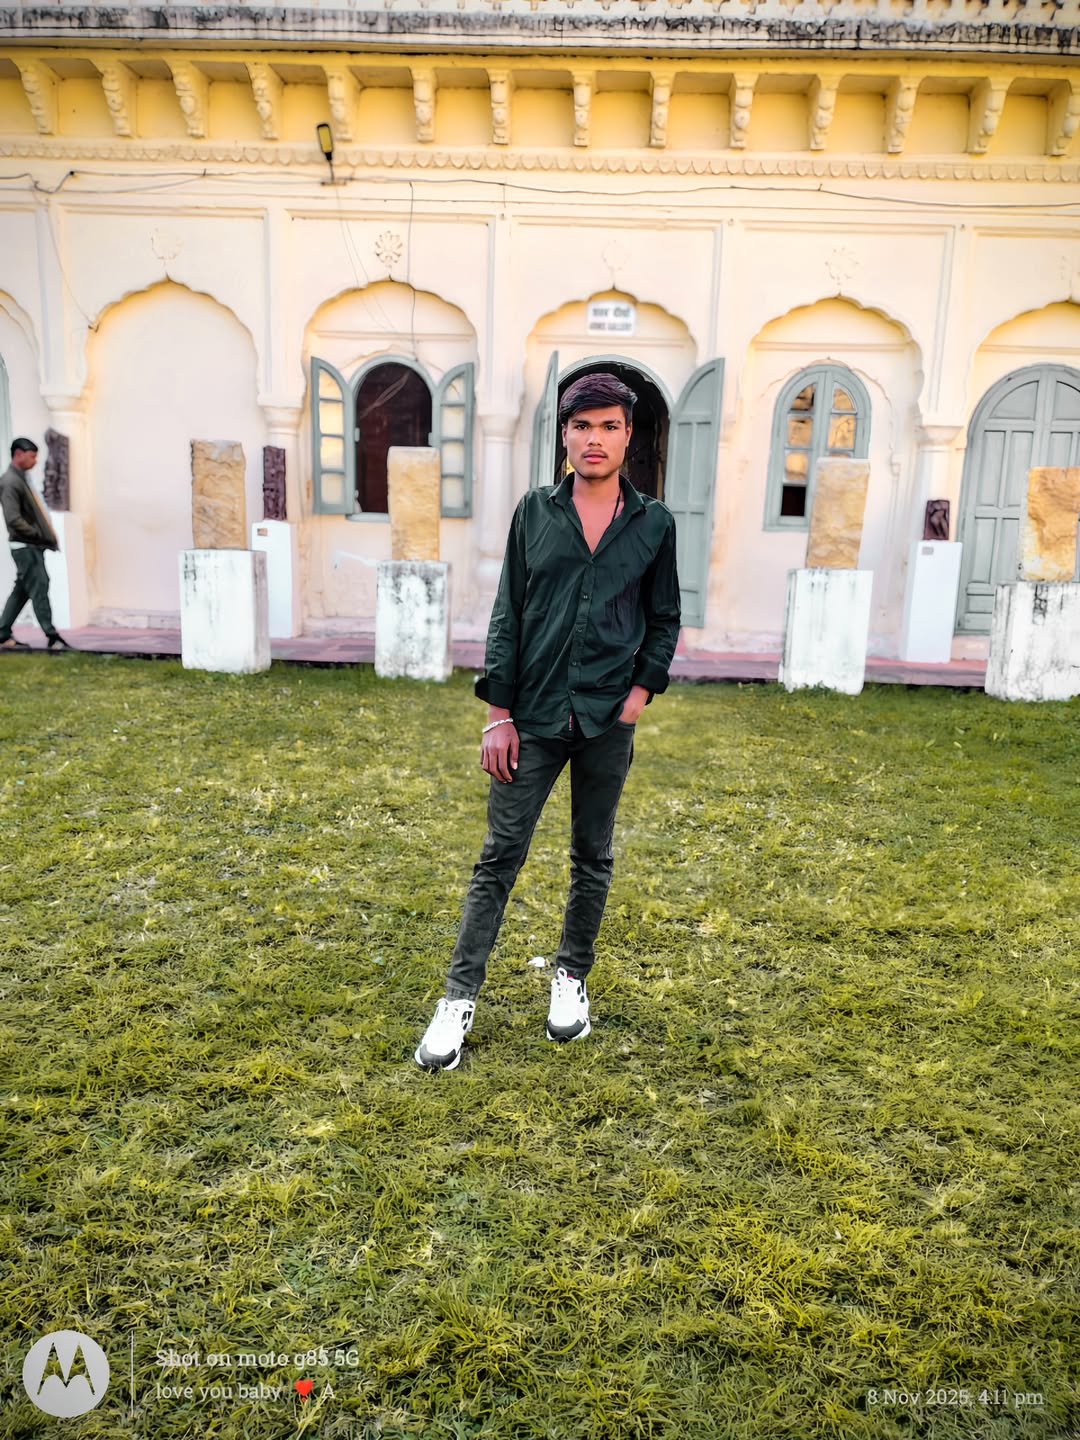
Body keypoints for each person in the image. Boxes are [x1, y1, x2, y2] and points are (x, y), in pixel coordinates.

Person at [415, 373, 681, 1071]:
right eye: (582, 426)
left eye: (609, 426)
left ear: (629, 436)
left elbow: (664, 618)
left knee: (593, 855)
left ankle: (571, 976)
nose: (595, 439)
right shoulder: (534, 512)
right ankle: (457, 1000)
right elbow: (508, 613)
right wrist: (497, 716)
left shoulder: (654, 524)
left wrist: (638, 696)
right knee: (499, 857)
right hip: (530, 717)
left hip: (607, 719)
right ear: (564, 435)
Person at [0, 437, 73, 652]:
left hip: (31, 545)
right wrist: (37, 535)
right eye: (31, 457)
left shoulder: (21, 479)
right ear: (18, 454)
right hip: (26, 546)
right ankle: (52, 637)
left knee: (22, 590)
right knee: (40, 586)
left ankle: (2, 633)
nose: (34, 461)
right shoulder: (10, 482)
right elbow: (13, 519)